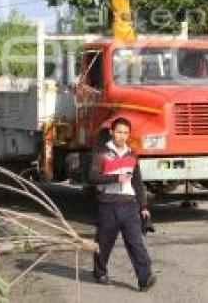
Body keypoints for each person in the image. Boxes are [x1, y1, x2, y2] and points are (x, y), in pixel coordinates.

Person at [89, 118, 156, 292]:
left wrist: (144, 207)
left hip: (129, 206)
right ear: (111, 132)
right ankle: (100, 272)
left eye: (125, 133)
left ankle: (145, 278)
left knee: (136, 243)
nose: (122, 136)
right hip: (108, 205)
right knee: (104, 243)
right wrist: (115, 178)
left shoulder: (132, 155)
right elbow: (92, 177)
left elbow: (138, 184)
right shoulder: (101, 154)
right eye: (119, 132)